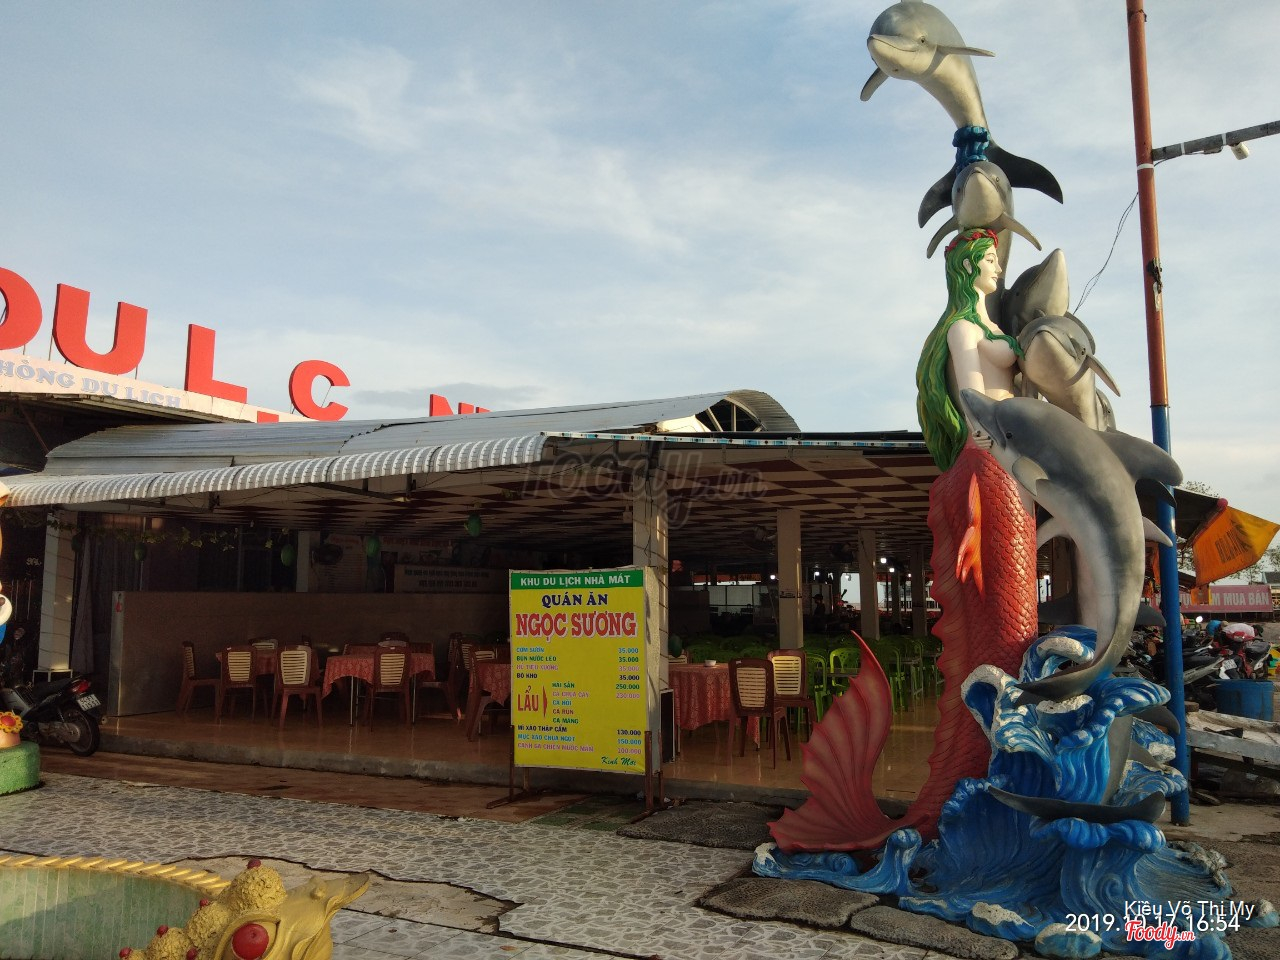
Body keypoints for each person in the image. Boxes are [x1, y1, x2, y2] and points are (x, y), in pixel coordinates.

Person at [916, 228, 1022, 469]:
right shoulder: (962, 328)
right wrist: (978, 428)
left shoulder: (992, 328)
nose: (998, 269)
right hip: (991, 443)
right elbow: (971, 394)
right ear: (967, 264)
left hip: (1014, 441)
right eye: (990, 261)